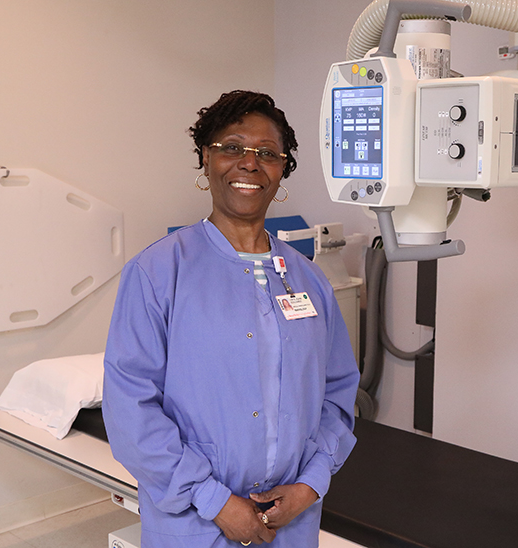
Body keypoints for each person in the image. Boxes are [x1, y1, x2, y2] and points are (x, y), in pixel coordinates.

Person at [103, 90, 360, 547]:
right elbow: (131, 409)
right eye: (232, 147)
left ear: (282, 170)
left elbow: (337, 395)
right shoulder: (159, 273)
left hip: (290, 521)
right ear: (207, 158)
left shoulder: (310, 280)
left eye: (267, 154)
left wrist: (309, 486)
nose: (249, 163)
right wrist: (215, 501)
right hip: (195, 522)